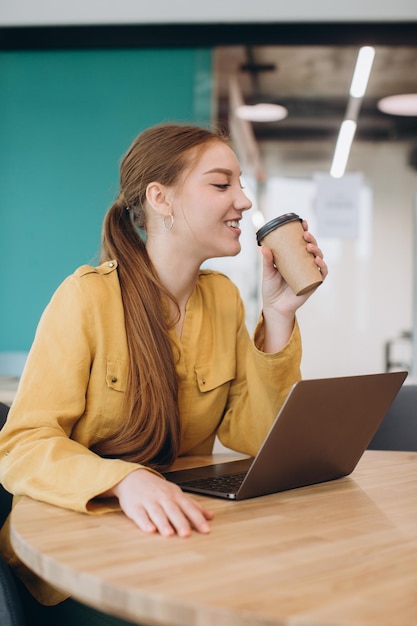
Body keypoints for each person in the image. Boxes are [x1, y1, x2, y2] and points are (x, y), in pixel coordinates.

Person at [0, 123, 327, 623]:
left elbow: (256, 435)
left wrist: (280, 314)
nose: (243, 201)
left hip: (174, 540)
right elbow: (21, 445)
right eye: (222, 184)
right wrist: (124, 480)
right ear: (161, 199)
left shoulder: (221, 298)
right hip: (75, 564)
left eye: (240, 184)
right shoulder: (86, 297)